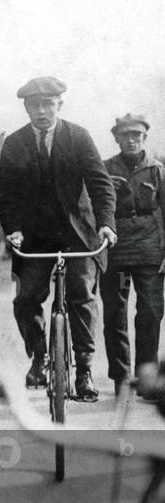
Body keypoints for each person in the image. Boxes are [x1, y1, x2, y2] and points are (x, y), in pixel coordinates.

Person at [0, 76, 117, 399]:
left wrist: (106, 224)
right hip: (35, 237)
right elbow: (6, 196)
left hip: (77, 234)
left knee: (81, 296)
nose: (41, 112)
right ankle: (40, 355)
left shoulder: (78, 137)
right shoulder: (14, 143)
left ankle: (84, 369)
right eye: (34, 106)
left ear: (59, 105)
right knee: (25, 299)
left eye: (48, 105)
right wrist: (14, 229)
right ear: (26, 108)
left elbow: (100, 184)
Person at [100, 114, 165, 396]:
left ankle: (146, 377)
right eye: (125, 135)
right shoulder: (105, 169)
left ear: (144, 138)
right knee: (116, 313)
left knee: (150, 311)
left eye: (136, 135)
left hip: (150, 253)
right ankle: (121, 377)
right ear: (116, 138)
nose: (131, 140)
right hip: (117, 253)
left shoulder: (157, 171)